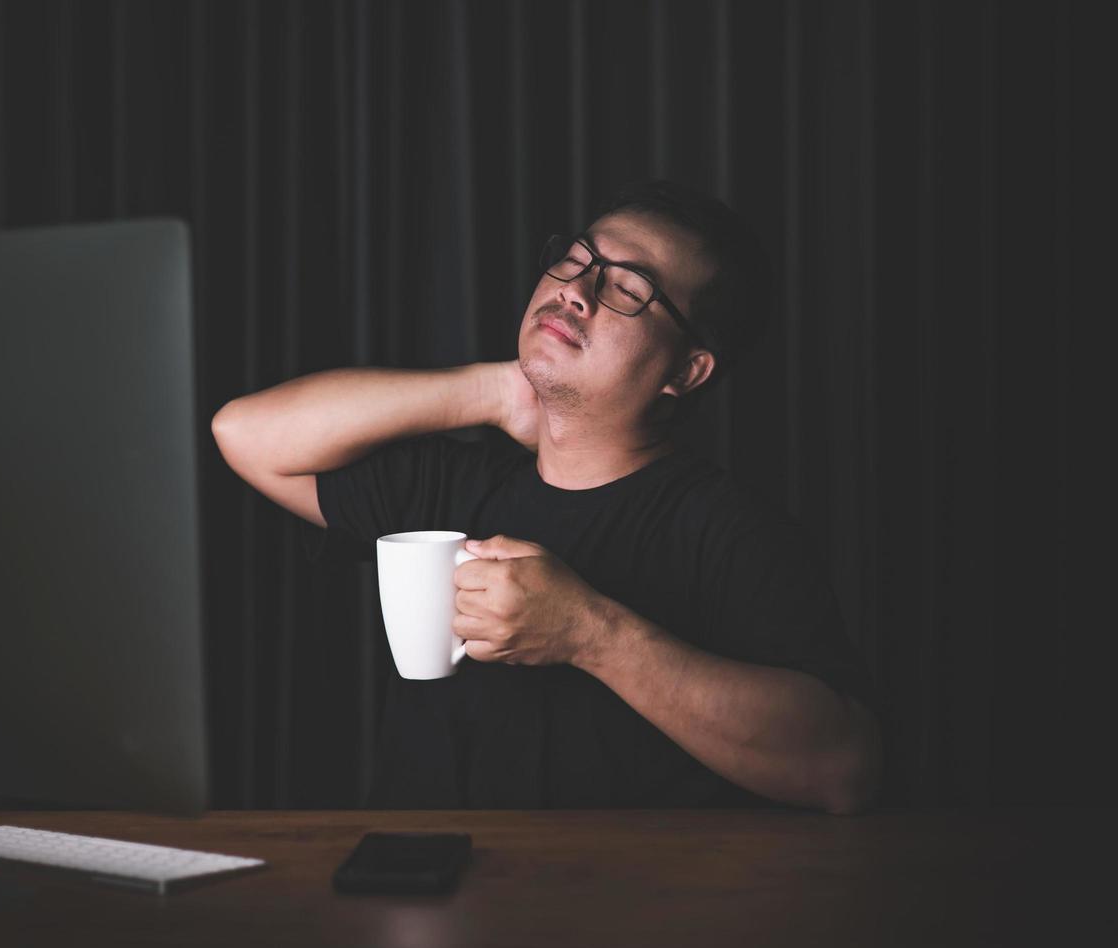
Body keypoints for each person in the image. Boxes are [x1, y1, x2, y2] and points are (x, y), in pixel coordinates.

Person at [212, 178, 881, 813]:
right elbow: (244, 433)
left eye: (627, 287)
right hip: (418, 900)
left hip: (616, 918)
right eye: (575, 258)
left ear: (686, 369)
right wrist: (494, 390)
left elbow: (842, 767)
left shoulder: (726, 529)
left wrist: (590, 635)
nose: (576, 290)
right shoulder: (456, 484)